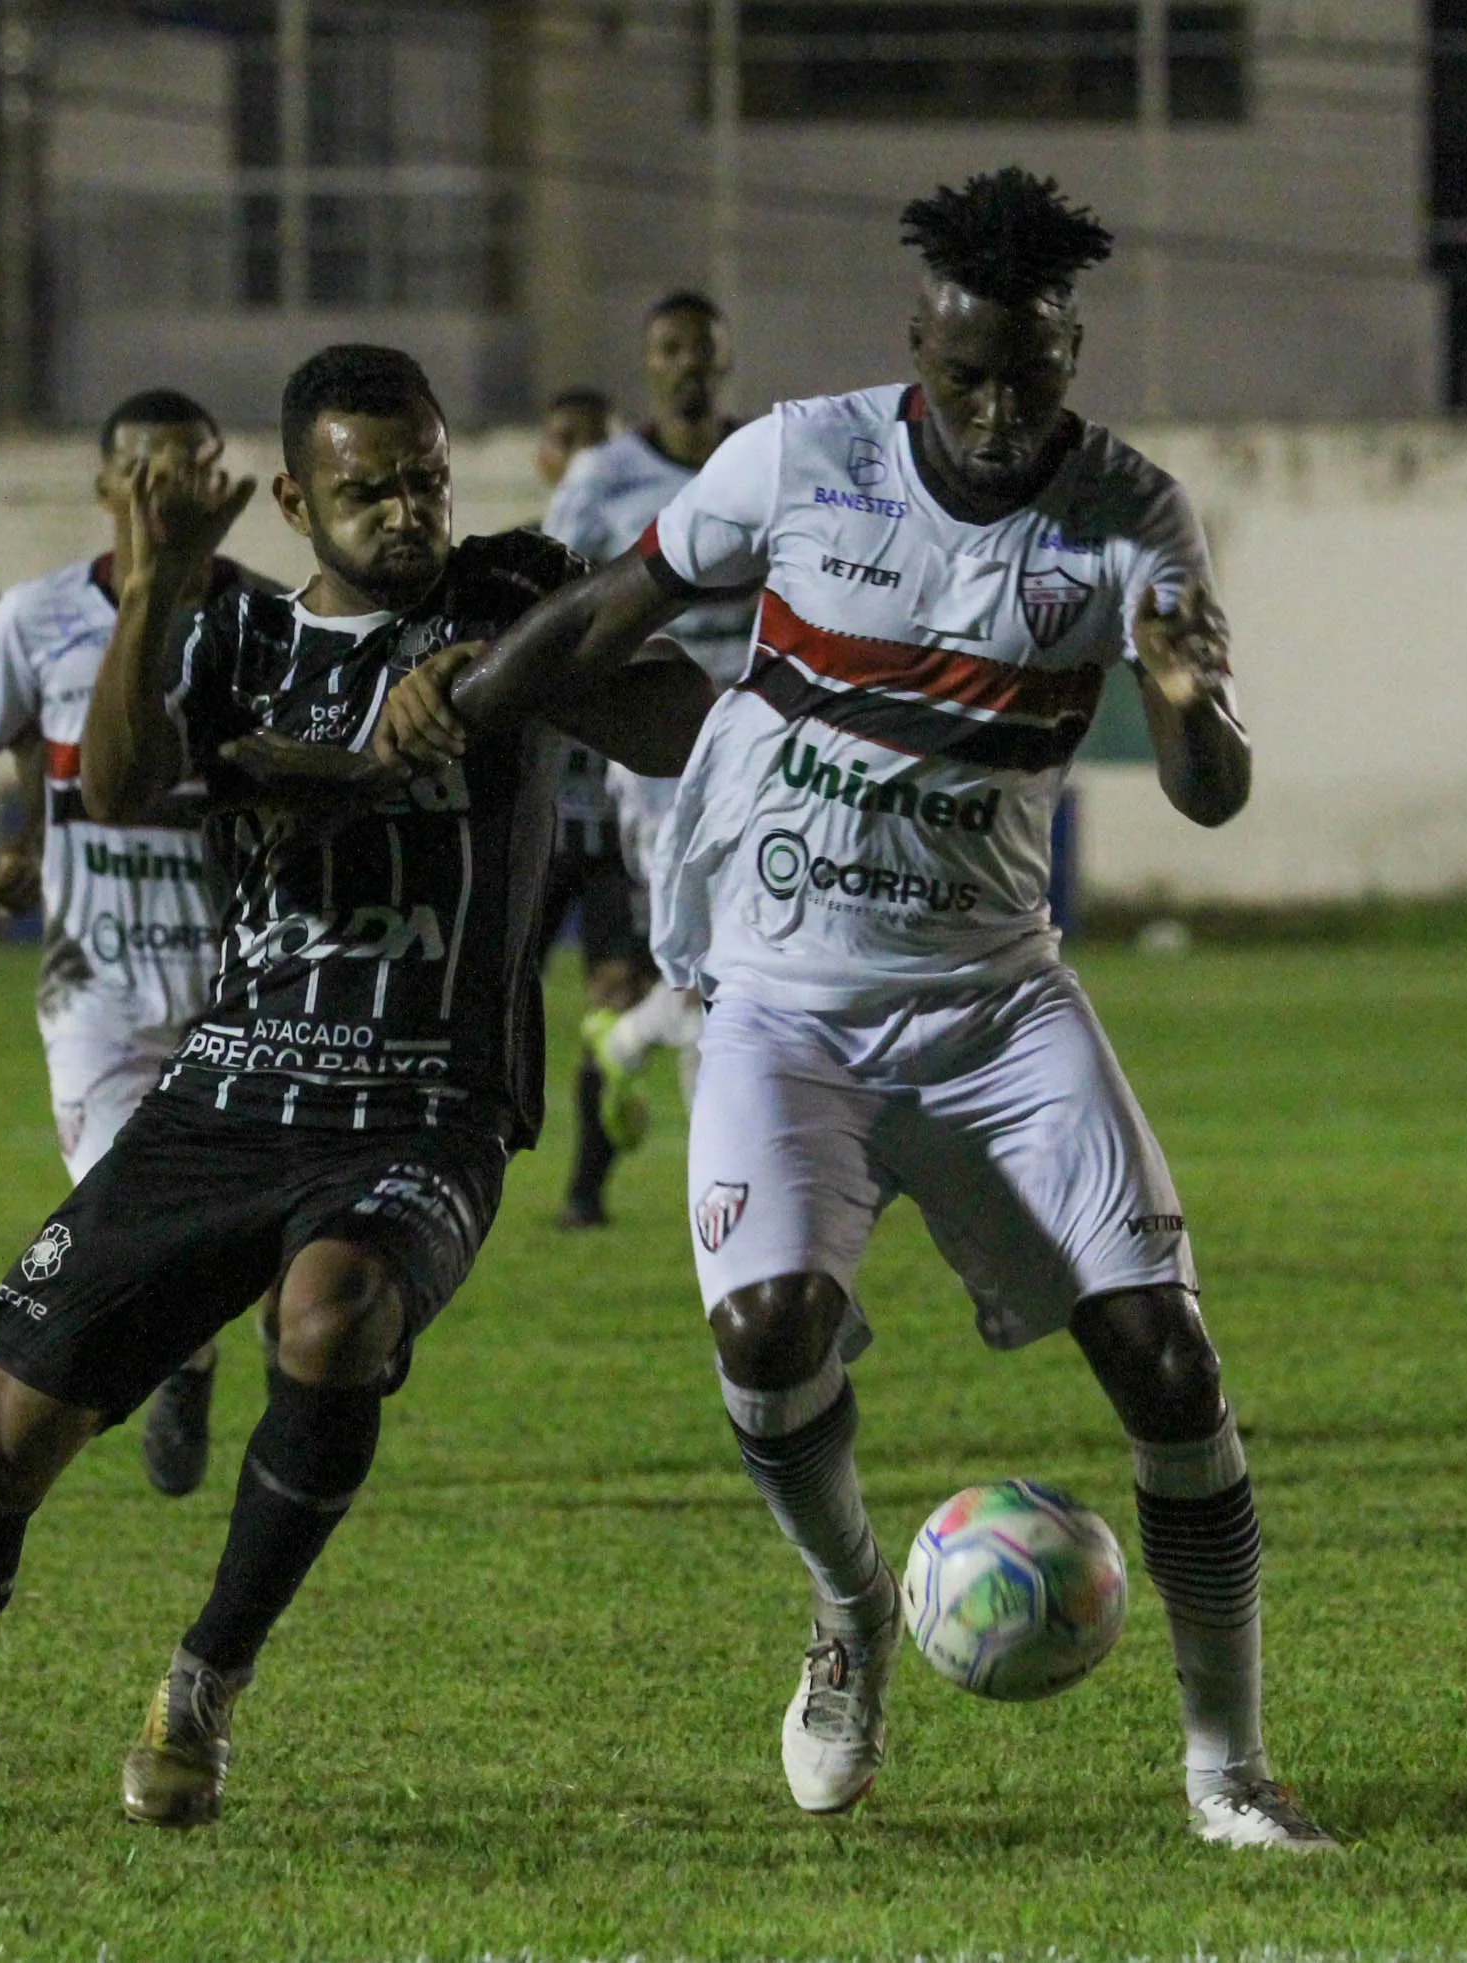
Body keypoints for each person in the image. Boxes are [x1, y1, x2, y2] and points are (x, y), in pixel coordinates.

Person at [370, 170, 1333, 1849]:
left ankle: (1227, 1769)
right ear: (916, 343)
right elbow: (619, 608)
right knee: (766, 1334)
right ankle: (850, 1609)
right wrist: (462, 696)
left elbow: (1212, 791)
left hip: (993, 1009)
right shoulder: (800, 460)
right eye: (964, 374)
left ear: (1071, 354)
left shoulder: (1130, 517)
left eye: (1028, 377)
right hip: (786, 1009)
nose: (993, 409)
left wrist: (1187, 704)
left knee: (1170, 1366)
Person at [0, 344, 709, 1827]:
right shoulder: (228, 634)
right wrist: (159, 583)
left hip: (429, 1095)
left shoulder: (507, 592)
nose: (407, 511)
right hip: (229, 1087)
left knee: (332, 1310)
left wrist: (492, 685)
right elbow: (125, 788)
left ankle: (202, 1685)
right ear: (292, 498)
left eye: (423, 477)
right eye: (367, 490)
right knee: (2, 1424)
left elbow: (677, 718)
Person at [0, 388, 282, 1501]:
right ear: (106, 486)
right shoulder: (38, 617)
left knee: (272, 1251)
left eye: (193, 469)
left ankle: (230, 1382)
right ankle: (181, 1358)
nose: (170, 493)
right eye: (148, 471)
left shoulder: (266, 621)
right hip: (99, 993)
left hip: (247, 986)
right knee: (131, 1224)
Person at [542, 292, 759, 1148]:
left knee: (744, 949)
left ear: (725, 358)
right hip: (657, 753)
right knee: (706, 951)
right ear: (649, 364)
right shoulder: (602, 479)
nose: (688, 365)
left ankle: (720, 1141)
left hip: (761, 741)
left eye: (702, 349)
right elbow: (557, 602)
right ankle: (644, 1047)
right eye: (669, 349)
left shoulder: (762, 459)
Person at [526, 383, 645, 1225]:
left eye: (598, 443)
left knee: (612, 1002)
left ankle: (584, 1191)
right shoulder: (522, 566)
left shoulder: (651, 569)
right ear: (545, 457)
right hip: (537, 825)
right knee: (491, 993)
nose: (584, 460)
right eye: (569, 441)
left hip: (621, 825)